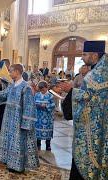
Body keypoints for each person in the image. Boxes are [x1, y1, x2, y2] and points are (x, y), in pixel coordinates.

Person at [59, 41, 108, 180]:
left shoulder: (97, 74)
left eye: (84, 54)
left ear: (94, 55)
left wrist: (71, 91)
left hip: (92, 132)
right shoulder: (101, 69)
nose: (82, 58)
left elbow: (89, 98)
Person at [0, 64, 39, 173]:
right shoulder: (11, 85)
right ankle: (9, 162)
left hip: (18, 121)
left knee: (17, 143)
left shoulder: (26, 87)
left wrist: (26, 123)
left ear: (17, 72)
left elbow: (29, 106)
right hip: (8, 120)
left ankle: (17, 167)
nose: (9, 73)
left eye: (11, 71)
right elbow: (2, 95)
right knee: (9, 141)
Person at [35, 81, 55, 151]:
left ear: (47, 88)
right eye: (41, 90)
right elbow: (33, 103)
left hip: (47, 117)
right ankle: (38, 143)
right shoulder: (37, 95)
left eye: (43, 90)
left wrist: (46, 106)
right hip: (39, 116)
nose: (42, 91)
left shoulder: (50, 96)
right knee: (38, 131)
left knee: (48, 131)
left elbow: (53, 105)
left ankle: (48, 144)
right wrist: (37, 105)